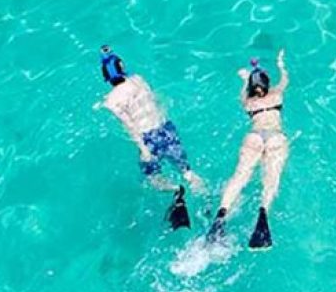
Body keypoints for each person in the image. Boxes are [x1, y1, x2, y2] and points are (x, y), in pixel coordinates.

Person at [94, 46, 205, 228]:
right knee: (188, 172)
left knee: (152, 179)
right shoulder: (139, 80)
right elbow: (156, 100)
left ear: (105, 76)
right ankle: (206, 201)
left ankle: (177, 191)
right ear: (122, 67)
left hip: (148, 138)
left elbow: (129, 125)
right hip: (166, 128)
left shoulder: (111, 101)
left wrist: (144, 149)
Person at [207, 49, 291, 249]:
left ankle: (221, 214)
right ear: (267, 85)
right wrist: (280, 64)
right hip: (275, 138)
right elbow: (285, 79)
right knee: (271, 179)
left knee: (240, 176)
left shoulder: (248, 102)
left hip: (253, 137)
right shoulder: (277, 95)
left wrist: (245, 79)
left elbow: (244, 92)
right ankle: (262, 214)